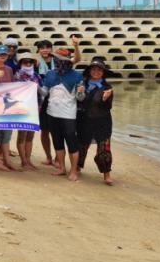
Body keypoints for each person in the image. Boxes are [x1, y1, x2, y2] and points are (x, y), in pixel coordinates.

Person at [43, 47, 85, 181]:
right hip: (51, 113)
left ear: (68, 61)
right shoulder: (50, 74)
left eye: (61, 60)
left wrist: (81, 92)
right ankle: (62, 168)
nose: (58, 62)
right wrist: (33, 86)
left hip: (68, 115)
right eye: (56, 59)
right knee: (57, 142)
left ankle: (73, 170)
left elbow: (80, 98)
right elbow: (44, 93)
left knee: (72, 143)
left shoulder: (77, 75)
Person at [77, 57, 114, 185]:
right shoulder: (83, 84)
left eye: (99, 70)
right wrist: (79, 93)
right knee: (82, 146)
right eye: (94, 69)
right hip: (85, 120)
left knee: (104, 149)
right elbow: (78, 102)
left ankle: (106, 174)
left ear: (103, 72)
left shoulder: (107, 87)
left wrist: (105, 99)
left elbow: (108, 107)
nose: (96, 72)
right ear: (89, 71)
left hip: (103, 122)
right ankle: (77, 167)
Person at [14, 52, 44, 170]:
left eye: (30, 61)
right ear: (21, 63)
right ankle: (23, 161)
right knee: (22, 136)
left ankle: (28, 159)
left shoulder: (36, 76)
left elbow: (43, 92)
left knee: (30, 136)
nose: (28, 64)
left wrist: (37, 87)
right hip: (22, 108)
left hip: (35, 108)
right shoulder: (17, 75)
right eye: (25, 62)